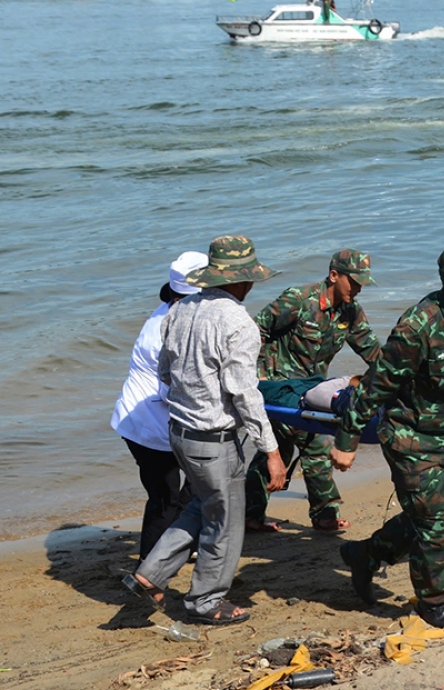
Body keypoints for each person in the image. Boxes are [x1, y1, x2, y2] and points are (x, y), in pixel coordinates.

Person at [330, 237, 444, 629]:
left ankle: (366, 554)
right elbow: (377, 384)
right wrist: (347, 440)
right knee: (439, 525)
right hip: (412, 439)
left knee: (422, 518)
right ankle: (433, 603)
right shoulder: (418, 326)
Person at [122, 235, 287, 626]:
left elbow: (164, 371)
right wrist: (272, 451)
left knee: (202, 504)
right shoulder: (238, 323)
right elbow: (245, 395)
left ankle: (151, 573)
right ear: (243, 282)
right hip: (213, 440)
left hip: (178, 432)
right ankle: (205, 601)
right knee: (225, 523)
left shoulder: (178, 310)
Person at [245, 249, 381, 534]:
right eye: (353, 282)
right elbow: (255, 330)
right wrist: (251, 377)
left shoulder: (351, 312)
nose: (358, 289)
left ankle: (250, 515)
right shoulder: (299, 300)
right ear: (334, 275)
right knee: (314, 442)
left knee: (279, 449)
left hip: (311, 389)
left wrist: (399, 376)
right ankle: (323, 514)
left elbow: (372, 351)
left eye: (361, 284)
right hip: (275, 386)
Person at [111, 250, 208, 561]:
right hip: (150, 425)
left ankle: (176, 546)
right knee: (171, 496)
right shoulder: (169, 329)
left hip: (141, 419)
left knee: (187, 487)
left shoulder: (171, 311)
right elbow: (175, 390)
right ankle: (150, 564)